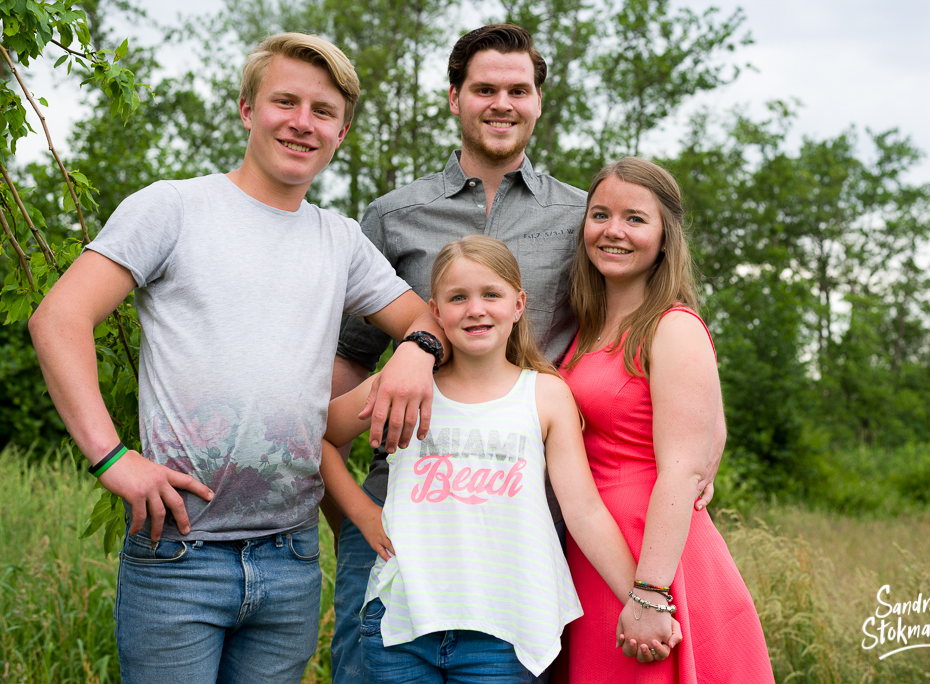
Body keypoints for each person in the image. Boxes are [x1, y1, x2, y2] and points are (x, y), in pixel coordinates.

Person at [27, 33, 446, 683]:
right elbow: (58, 318)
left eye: (323, 111)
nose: (302, 122)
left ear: (341, 131)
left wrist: (418, 350)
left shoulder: (340, 240)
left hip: (291, 556)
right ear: (247, 109)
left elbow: (425, 319)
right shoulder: (173, 208)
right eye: (285, 101)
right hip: (180, 557)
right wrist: (111, 458)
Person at [327, 24, 725, 683]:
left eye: (519, 89)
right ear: (454, 97)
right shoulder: (393, 216)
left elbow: (658, 325)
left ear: (540, 100)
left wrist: (708, 443)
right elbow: (349, 358)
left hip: (524, 517)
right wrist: (347, 510)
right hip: (400, 509)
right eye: (483, 88)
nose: (501, 103)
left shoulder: (586, 218)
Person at [320, 236, 680, 683]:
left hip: (506, 634)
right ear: (435, 311)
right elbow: (316, 436)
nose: (475, 309)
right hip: (401, 626)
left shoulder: (545, 395)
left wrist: (645, 599)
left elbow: (584, 511)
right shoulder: (404, 386)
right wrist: (362, 513)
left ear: (518, 303)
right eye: (458, 298)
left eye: (491, 294)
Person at [559, 157, 774, 682]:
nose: (614, 231)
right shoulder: (588, 326)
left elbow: (681, 468)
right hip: (594, 551)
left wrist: (652, 592)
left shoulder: (672, 326)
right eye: (600, 214)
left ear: (663, 237)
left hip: (653, 556)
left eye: (635, 218)